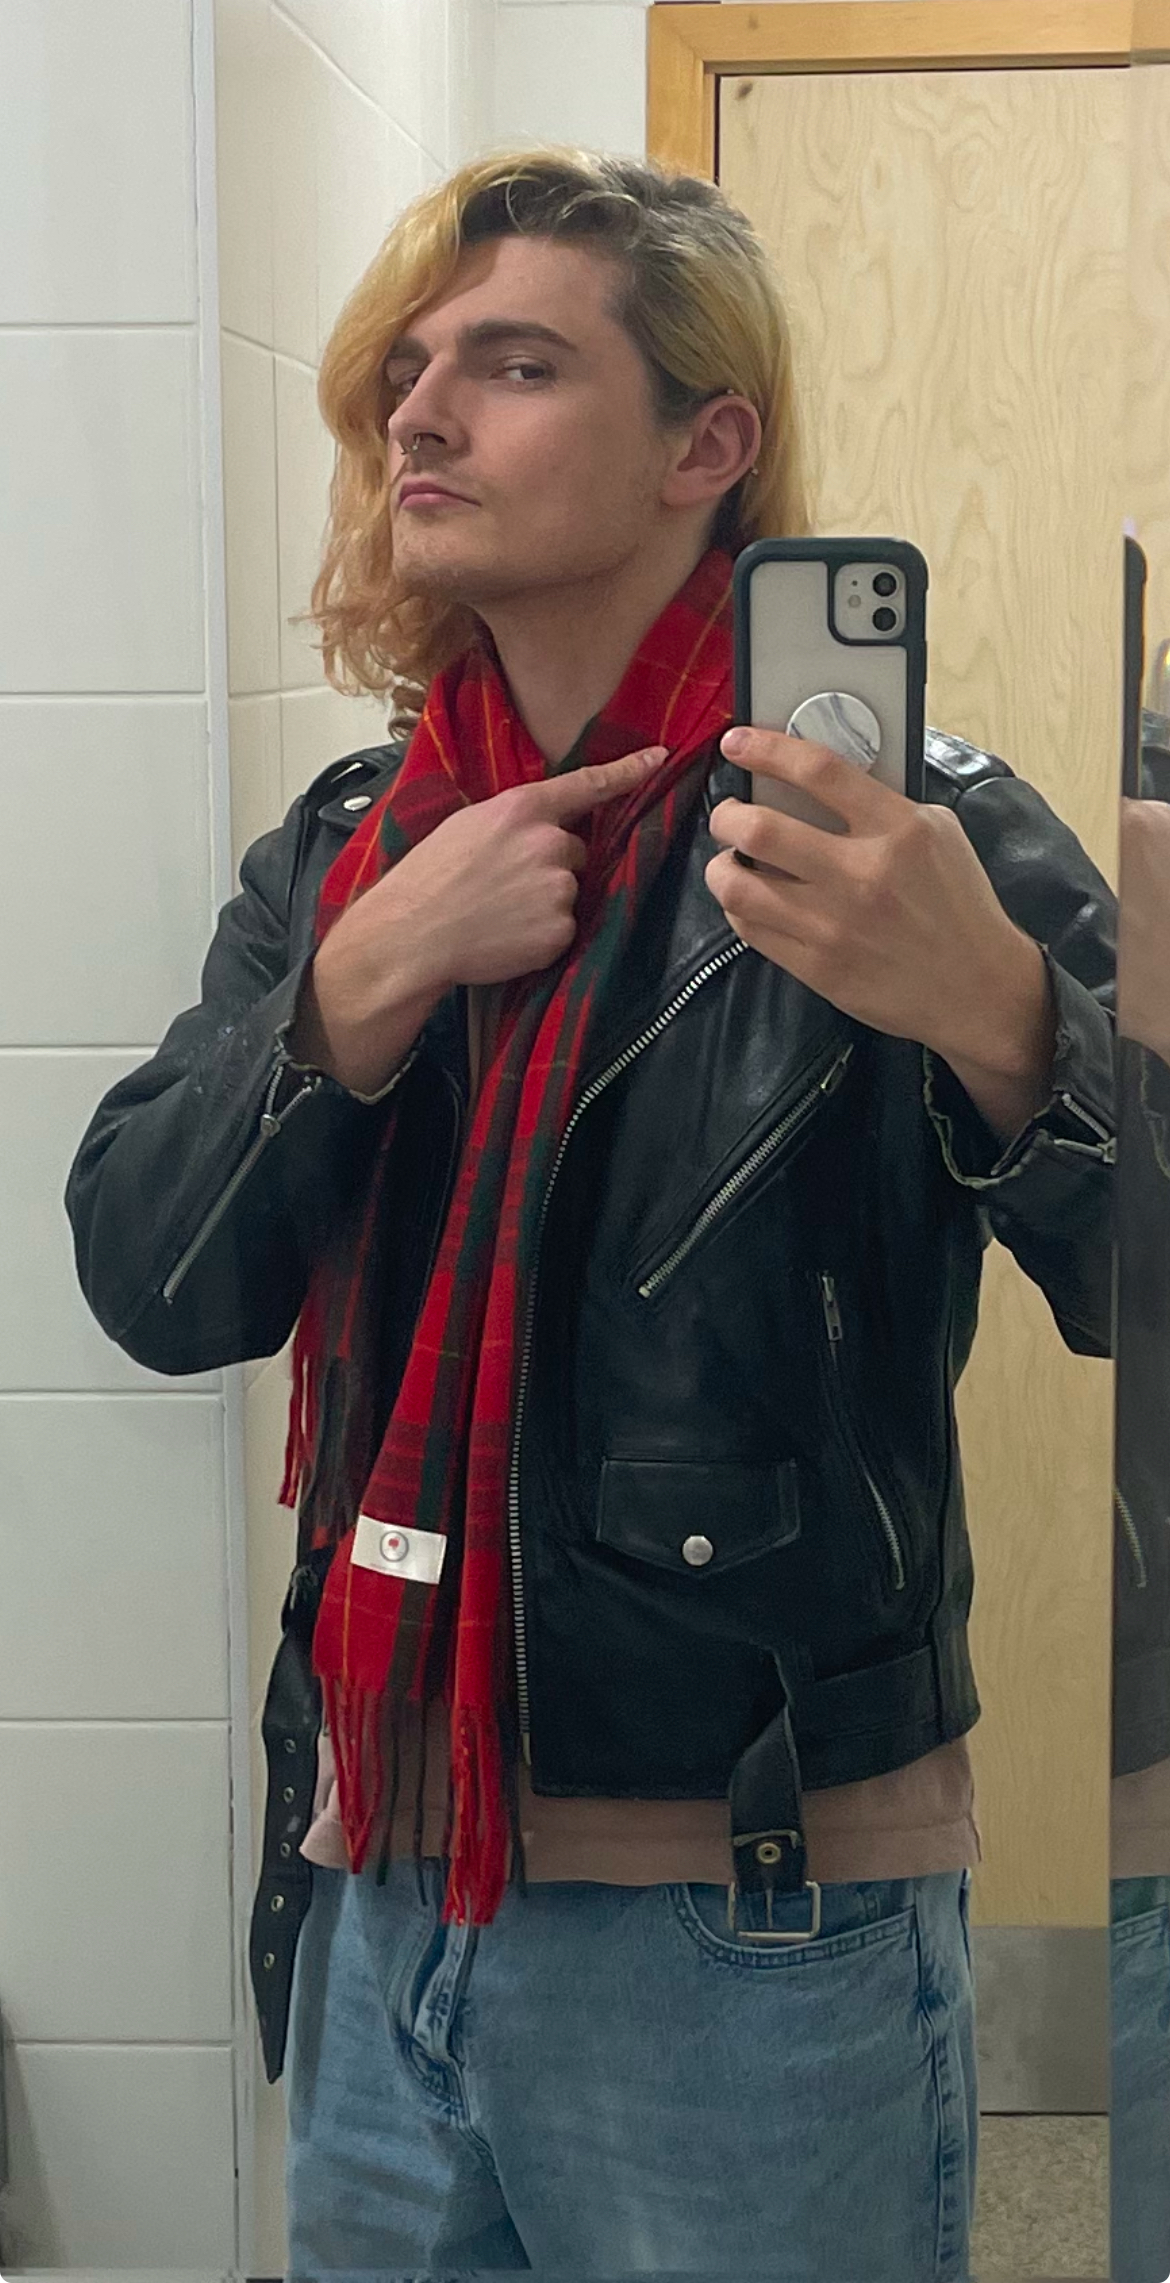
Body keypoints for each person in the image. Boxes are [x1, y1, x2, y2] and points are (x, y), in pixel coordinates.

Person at [65, 149, 1116, 2281]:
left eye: (516, 364)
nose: (421, 414)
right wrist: (350, 992)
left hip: (750, 1906)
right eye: (409, 371)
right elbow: (151, 1276)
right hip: (376, 1870)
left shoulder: (908, 835)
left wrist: (1008, 1022)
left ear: (703, 448)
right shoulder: (354, 847)